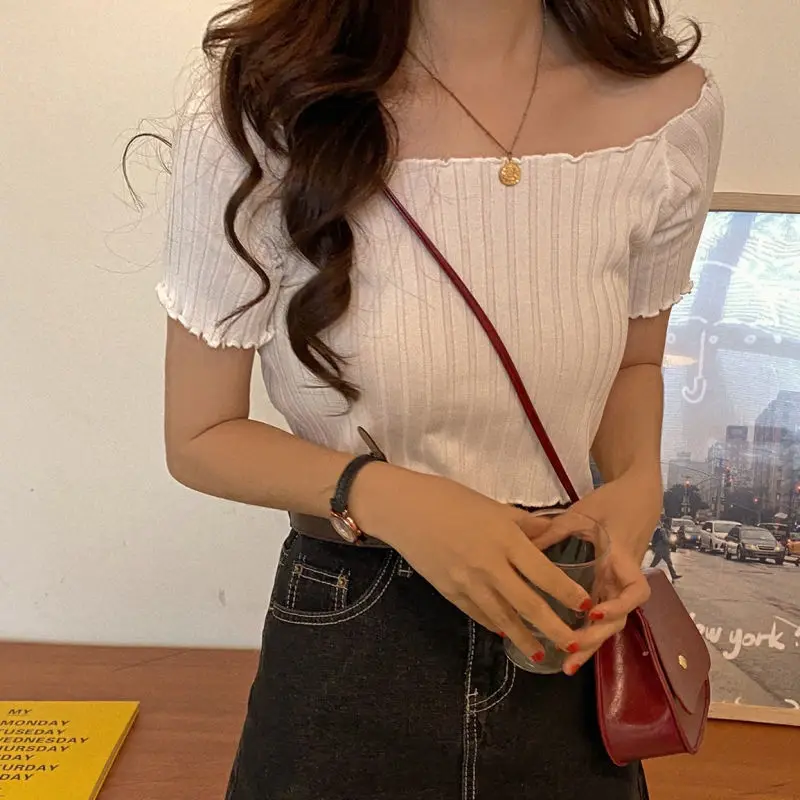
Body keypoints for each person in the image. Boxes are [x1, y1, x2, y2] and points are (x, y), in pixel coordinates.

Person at [157, 0, 722, 797]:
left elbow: (634, 361)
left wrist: (636, 485)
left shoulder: (667, 117)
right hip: (352, 628)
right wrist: (389, 497)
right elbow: (200, 434)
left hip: (563, 619)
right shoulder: (264, 108)